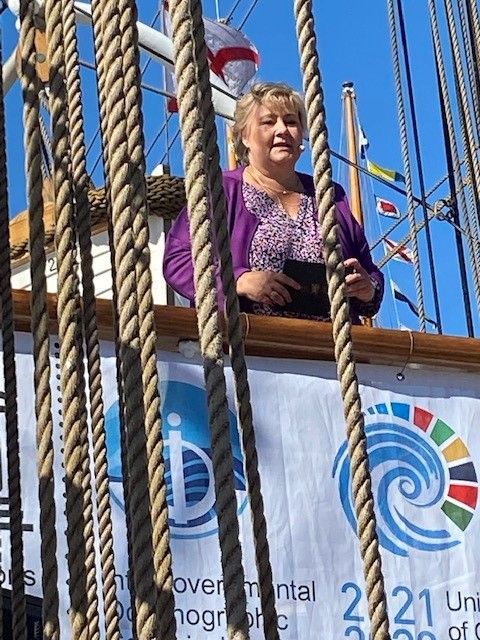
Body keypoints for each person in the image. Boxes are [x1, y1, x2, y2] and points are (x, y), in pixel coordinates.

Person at [163, 82, 383, 323]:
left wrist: (368, 288)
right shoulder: (221, 191)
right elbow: (178, 260)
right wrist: (239, 280)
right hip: (252, 347)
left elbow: (368, 273)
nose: (282, 130)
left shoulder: (330, 196)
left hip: (330, 350)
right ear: (245, 136)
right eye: (268, 122)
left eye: (291, 122)